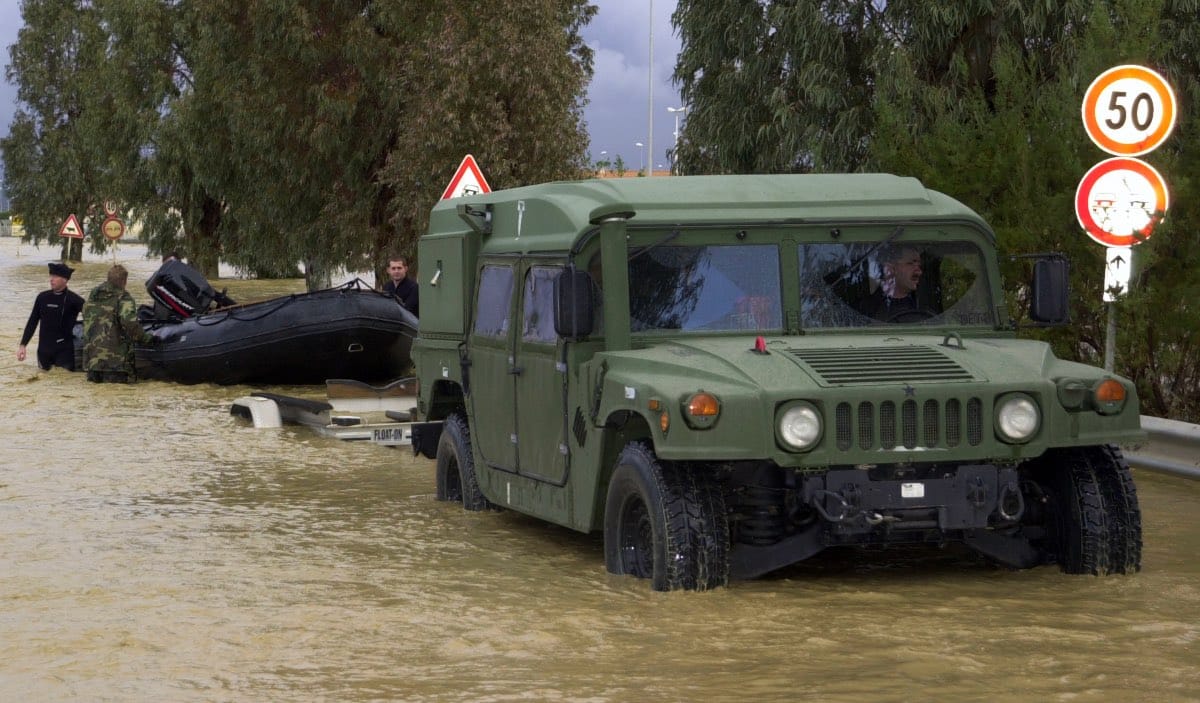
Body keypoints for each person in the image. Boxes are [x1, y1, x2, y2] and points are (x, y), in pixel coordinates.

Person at [83, 264, 157, 383]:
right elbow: (129, 323)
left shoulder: (93, 297)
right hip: (116, 364)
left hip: (93, 362)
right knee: (117, 393)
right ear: (124, 281)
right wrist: (147, 339)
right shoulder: (123, 298)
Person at [18, 262, 86, 371]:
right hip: (44, 351)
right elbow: (32, 322)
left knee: (63, 379)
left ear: (65, 279)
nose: (51, 279)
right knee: (43, 380)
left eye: (55, 276)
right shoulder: (42, 297)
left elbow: (92, 317)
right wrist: (23, 345)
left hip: (64, 352)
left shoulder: (74, 300)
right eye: (51, 276)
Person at [856, 245, 925, 321]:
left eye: (919, 265)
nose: (919, 272)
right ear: (890, 269)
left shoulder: (922, 305)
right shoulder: (866, 309)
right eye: (910, 263)